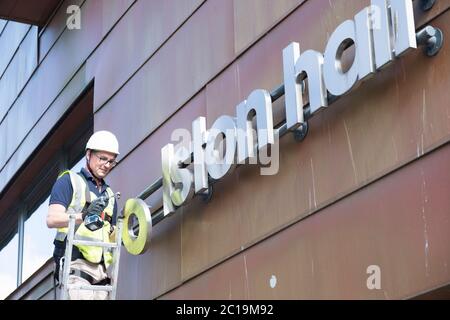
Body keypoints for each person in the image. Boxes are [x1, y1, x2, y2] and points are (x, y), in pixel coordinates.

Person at [46, 130, 120, 300]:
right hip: (76, 267)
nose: (107, 165)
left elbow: (112, 235)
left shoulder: (109, 195)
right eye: (102, 158)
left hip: (103, 276)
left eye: (111, 161)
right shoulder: (69, 181)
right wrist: (84, 215)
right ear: (88, 154)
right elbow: (52, 219)